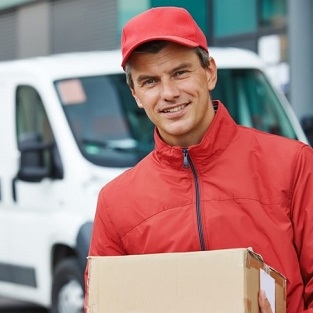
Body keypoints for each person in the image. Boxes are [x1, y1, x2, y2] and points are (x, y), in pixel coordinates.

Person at [85, 6, 313, 313]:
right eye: (150, 81)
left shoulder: (293, 165)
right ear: (136, 95)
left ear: (209, 72)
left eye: (180, 72)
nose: (168, 93)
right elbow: (104, 305)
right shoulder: (116, 201)